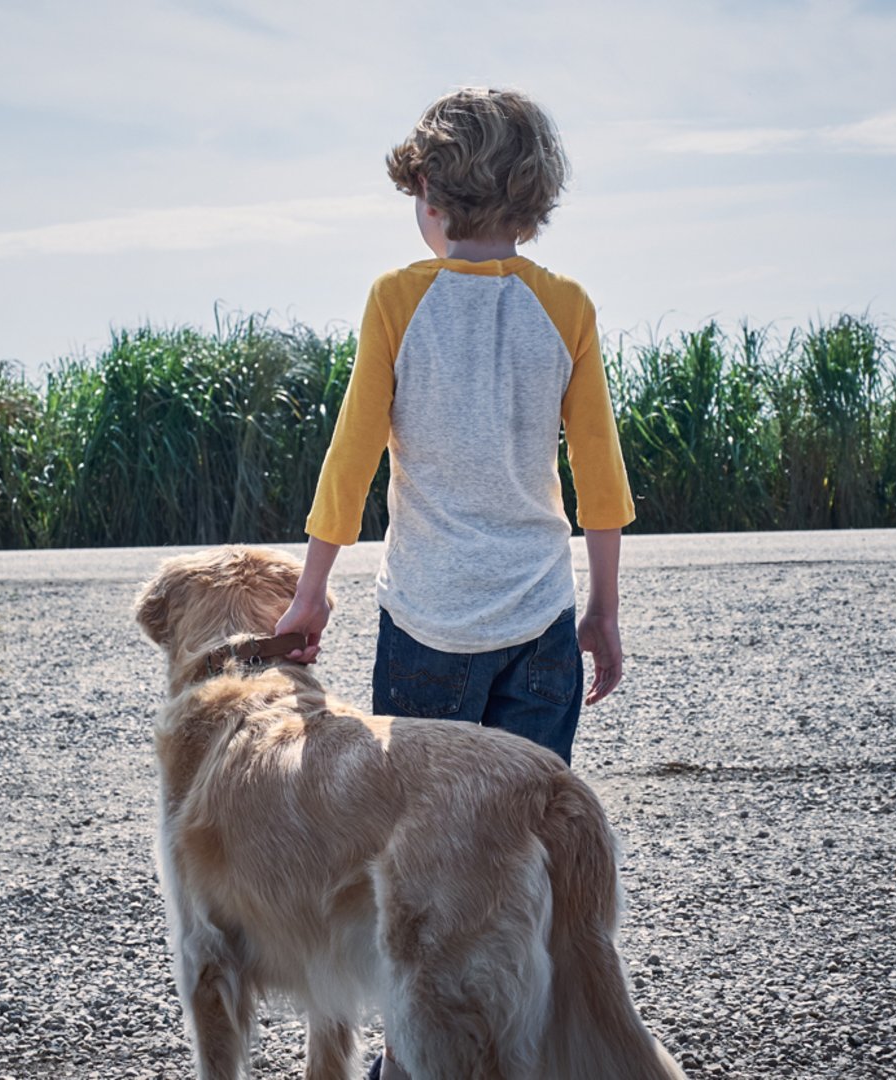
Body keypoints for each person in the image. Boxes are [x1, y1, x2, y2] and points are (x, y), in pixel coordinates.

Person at [270, 86, 634, 1076]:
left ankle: (412, 1059)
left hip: (427, 632)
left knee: (418, 874)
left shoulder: (398, 300)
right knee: (511, 862)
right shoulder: (567, 308)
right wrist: (601, 613)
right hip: (537, 629)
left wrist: (311, 592)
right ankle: (512, 1045)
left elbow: (350, 462)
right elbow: (598, 483)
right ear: (531, 196)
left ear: (431, 191)